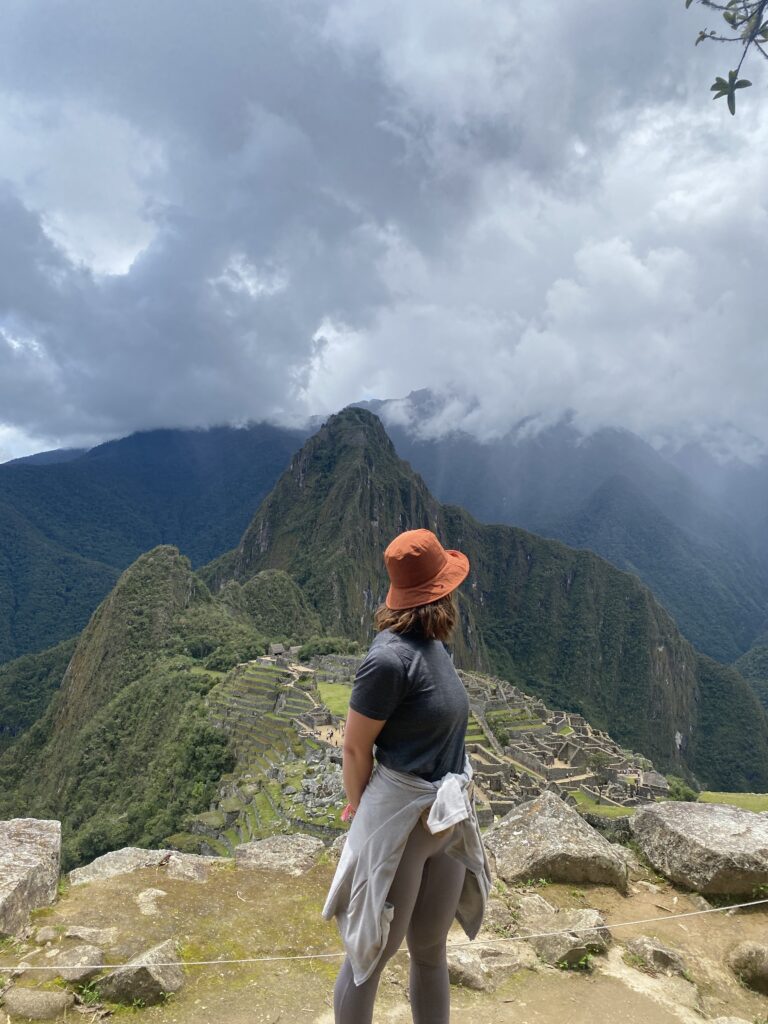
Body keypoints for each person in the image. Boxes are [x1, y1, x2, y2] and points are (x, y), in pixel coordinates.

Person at [322, 528, 491, 1024]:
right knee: (369, 956)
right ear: (439, 592)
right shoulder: (388, 660)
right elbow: (355, 746)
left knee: (431, 948)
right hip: (404, 825)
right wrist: (360, 811)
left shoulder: (432, 648)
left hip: (445, 818)